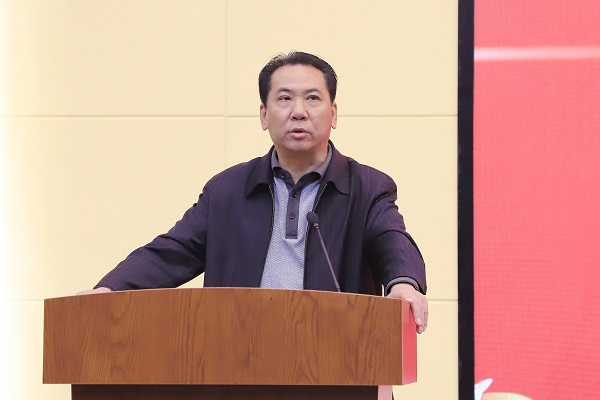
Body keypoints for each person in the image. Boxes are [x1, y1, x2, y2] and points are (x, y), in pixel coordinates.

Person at [77, 51, 428, 334]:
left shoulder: (367, 186)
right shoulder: (228, 190)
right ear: (264, 115)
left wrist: (403, 284)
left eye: (312, 98)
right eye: (284, 99)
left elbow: (393, 242)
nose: (299, 112)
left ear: (333, 113)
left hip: (339, 362)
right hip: (240, 360)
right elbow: (172, 251)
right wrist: (109, 290)